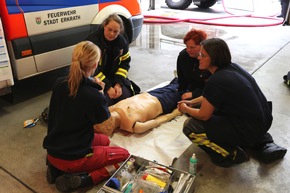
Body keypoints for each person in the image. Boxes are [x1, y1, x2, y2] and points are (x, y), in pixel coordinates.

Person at [178, 38, 287, 167]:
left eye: (203, 55)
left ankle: (231, 154)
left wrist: (186, 109)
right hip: (263, 121)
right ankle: (254, 140)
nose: (198, 58)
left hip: (251, 129)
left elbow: (203, 115)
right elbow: (213, 95)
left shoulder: (216, 80)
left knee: (190, 126)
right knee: (216, 109)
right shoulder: (232, 68)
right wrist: (192, 102)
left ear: (214, 58)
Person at [43, 41, 130, 192]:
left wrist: (92, 87)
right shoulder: (92, 95)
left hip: (53, 151)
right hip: (74, 157)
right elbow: (104, 122)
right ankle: (84, 179)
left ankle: (55, 168)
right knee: (125, 156)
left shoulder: (59, 83)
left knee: (105, 141)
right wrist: (101, 93)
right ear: (96, 65)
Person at [94, 78, 183, 136]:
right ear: (109, 127)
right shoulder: (132, 125)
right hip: (163, 102)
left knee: (177, 82)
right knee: (186, 89)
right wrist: (175, 113)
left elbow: (100, 101)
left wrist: (101, 89)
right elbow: (157, 121)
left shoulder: (110, 109)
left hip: (149, 94)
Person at [85, 13, 140, 106]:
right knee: (104, 101)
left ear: (120, 31)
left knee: (125, 96)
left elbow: (125, 64)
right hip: (95, 79)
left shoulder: (122, 42)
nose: (112, 34)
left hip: (113, 78)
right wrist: (108, 87)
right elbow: (91, 69)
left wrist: (118, 84)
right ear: (104, 25)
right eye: (109, 30)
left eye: (116, 31)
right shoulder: (93, 42)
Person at [176, 28, 211, 100]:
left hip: (204, 94)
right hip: (189, 89)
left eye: (192, 47)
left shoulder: (210, 60)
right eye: (187, 46)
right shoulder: (183, 56)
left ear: (202, 46)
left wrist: (194, 94)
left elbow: (214, 89)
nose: (188, 50)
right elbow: (181, 79)